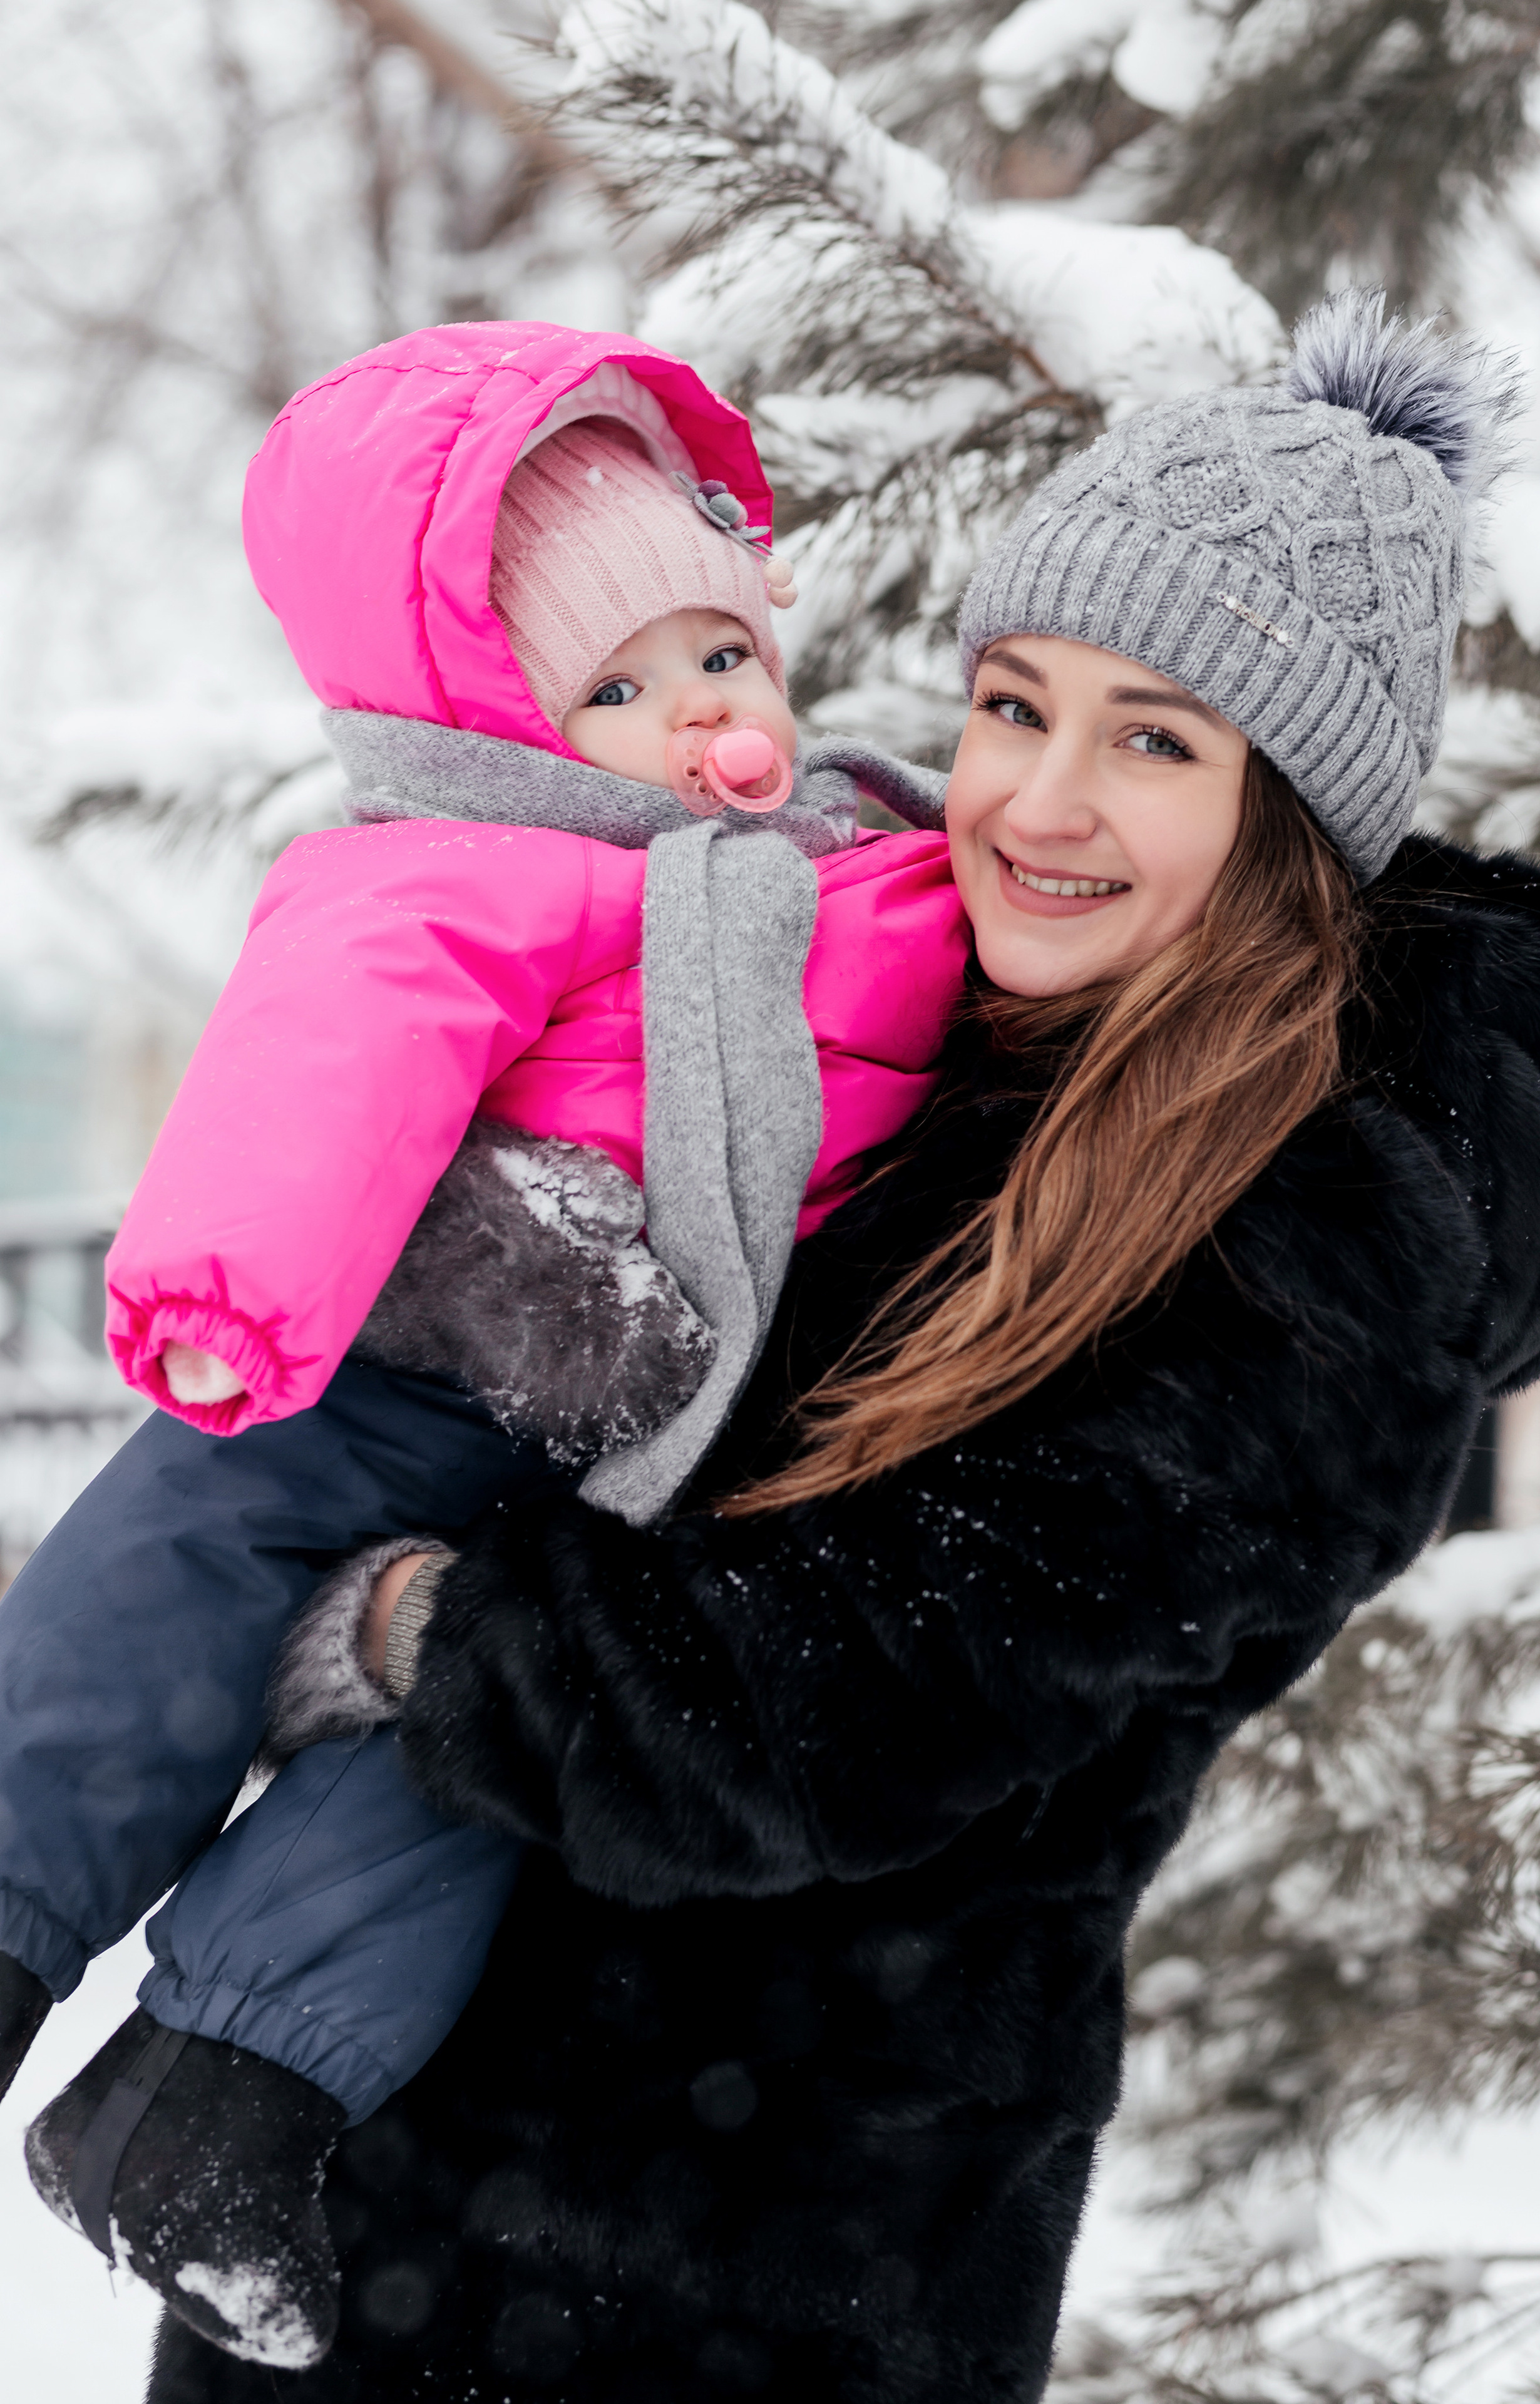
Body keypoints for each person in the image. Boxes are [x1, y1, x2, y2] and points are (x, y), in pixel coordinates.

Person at [140, 292, 1540, 2403]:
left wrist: (412, 1634)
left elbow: (828, 1696)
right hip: (437, 2187)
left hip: (734, 2270)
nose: (1038, 797)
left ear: (1298, 817)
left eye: (1158, 739)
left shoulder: (1329, 1225)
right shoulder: (969, 1025)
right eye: (1018, 704)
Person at [0, 322, 971, 2367]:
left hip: (627, 1446)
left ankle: (213, 2100)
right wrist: (226, 1288)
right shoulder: (464, 869)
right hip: (401, 1355)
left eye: (720, 655)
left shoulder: (854, 866)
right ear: (491, 720)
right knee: (162, 1572)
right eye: (616, 688)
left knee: (490, 1753)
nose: (700, 714)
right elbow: (324, 1063)